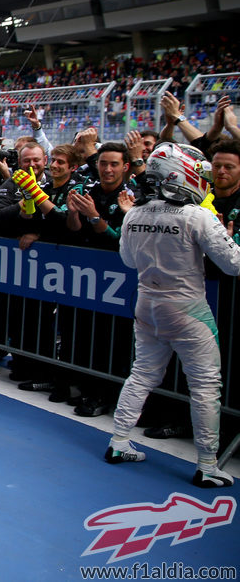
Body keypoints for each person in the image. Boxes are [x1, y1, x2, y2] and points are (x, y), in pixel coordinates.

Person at [106, 143, 240, 489]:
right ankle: (208, 464)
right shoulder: (198, 216)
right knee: (206, 387)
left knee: (141, 375)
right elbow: (233, 264)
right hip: (188, 310)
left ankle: (119, 441)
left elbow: (127, 261)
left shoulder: (134, 213)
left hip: (147, 304)